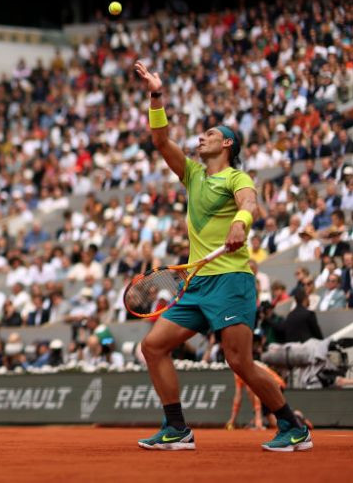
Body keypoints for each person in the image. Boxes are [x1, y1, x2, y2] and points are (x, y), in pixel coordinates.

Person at [133, 61, 311, 452]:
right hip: (198, 285)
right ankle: (177, 428)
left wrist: (241, 223)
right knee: (153, 346)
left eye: (211, 134)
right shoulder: (193, 175)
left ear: (227, 144)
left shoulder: (236, 178)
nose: (202, 137)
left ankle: (292, 425)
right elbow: (161, 141)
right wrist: (156, 95)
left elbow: (248, 203)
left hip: (231, 280)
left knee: (239, 361)